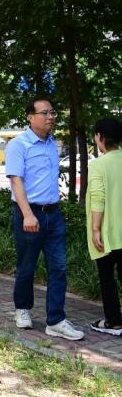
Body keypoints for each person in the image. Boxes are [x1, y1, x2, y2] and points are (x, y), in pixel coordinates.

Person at [5, 98, 84, 340]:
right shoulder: (19, 145)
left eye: (53, 113)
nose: (51, 117)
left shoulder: (53, 144)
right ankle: (22, 309)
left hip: (54, 214)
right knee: (27, 266)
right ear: (30, 116)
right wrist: (28, 214)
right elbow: (16, 180)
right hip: (29, 213)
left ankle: (56, 320)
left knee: (59, 268)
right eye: (45, 113)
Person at [86, 117, 122, 335]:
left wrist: (96, 229)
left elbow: (98, 197)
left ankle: (114, 322)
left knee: (107, 277)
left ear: (100, 137)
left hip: (108, 233)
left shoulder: (98, 165)